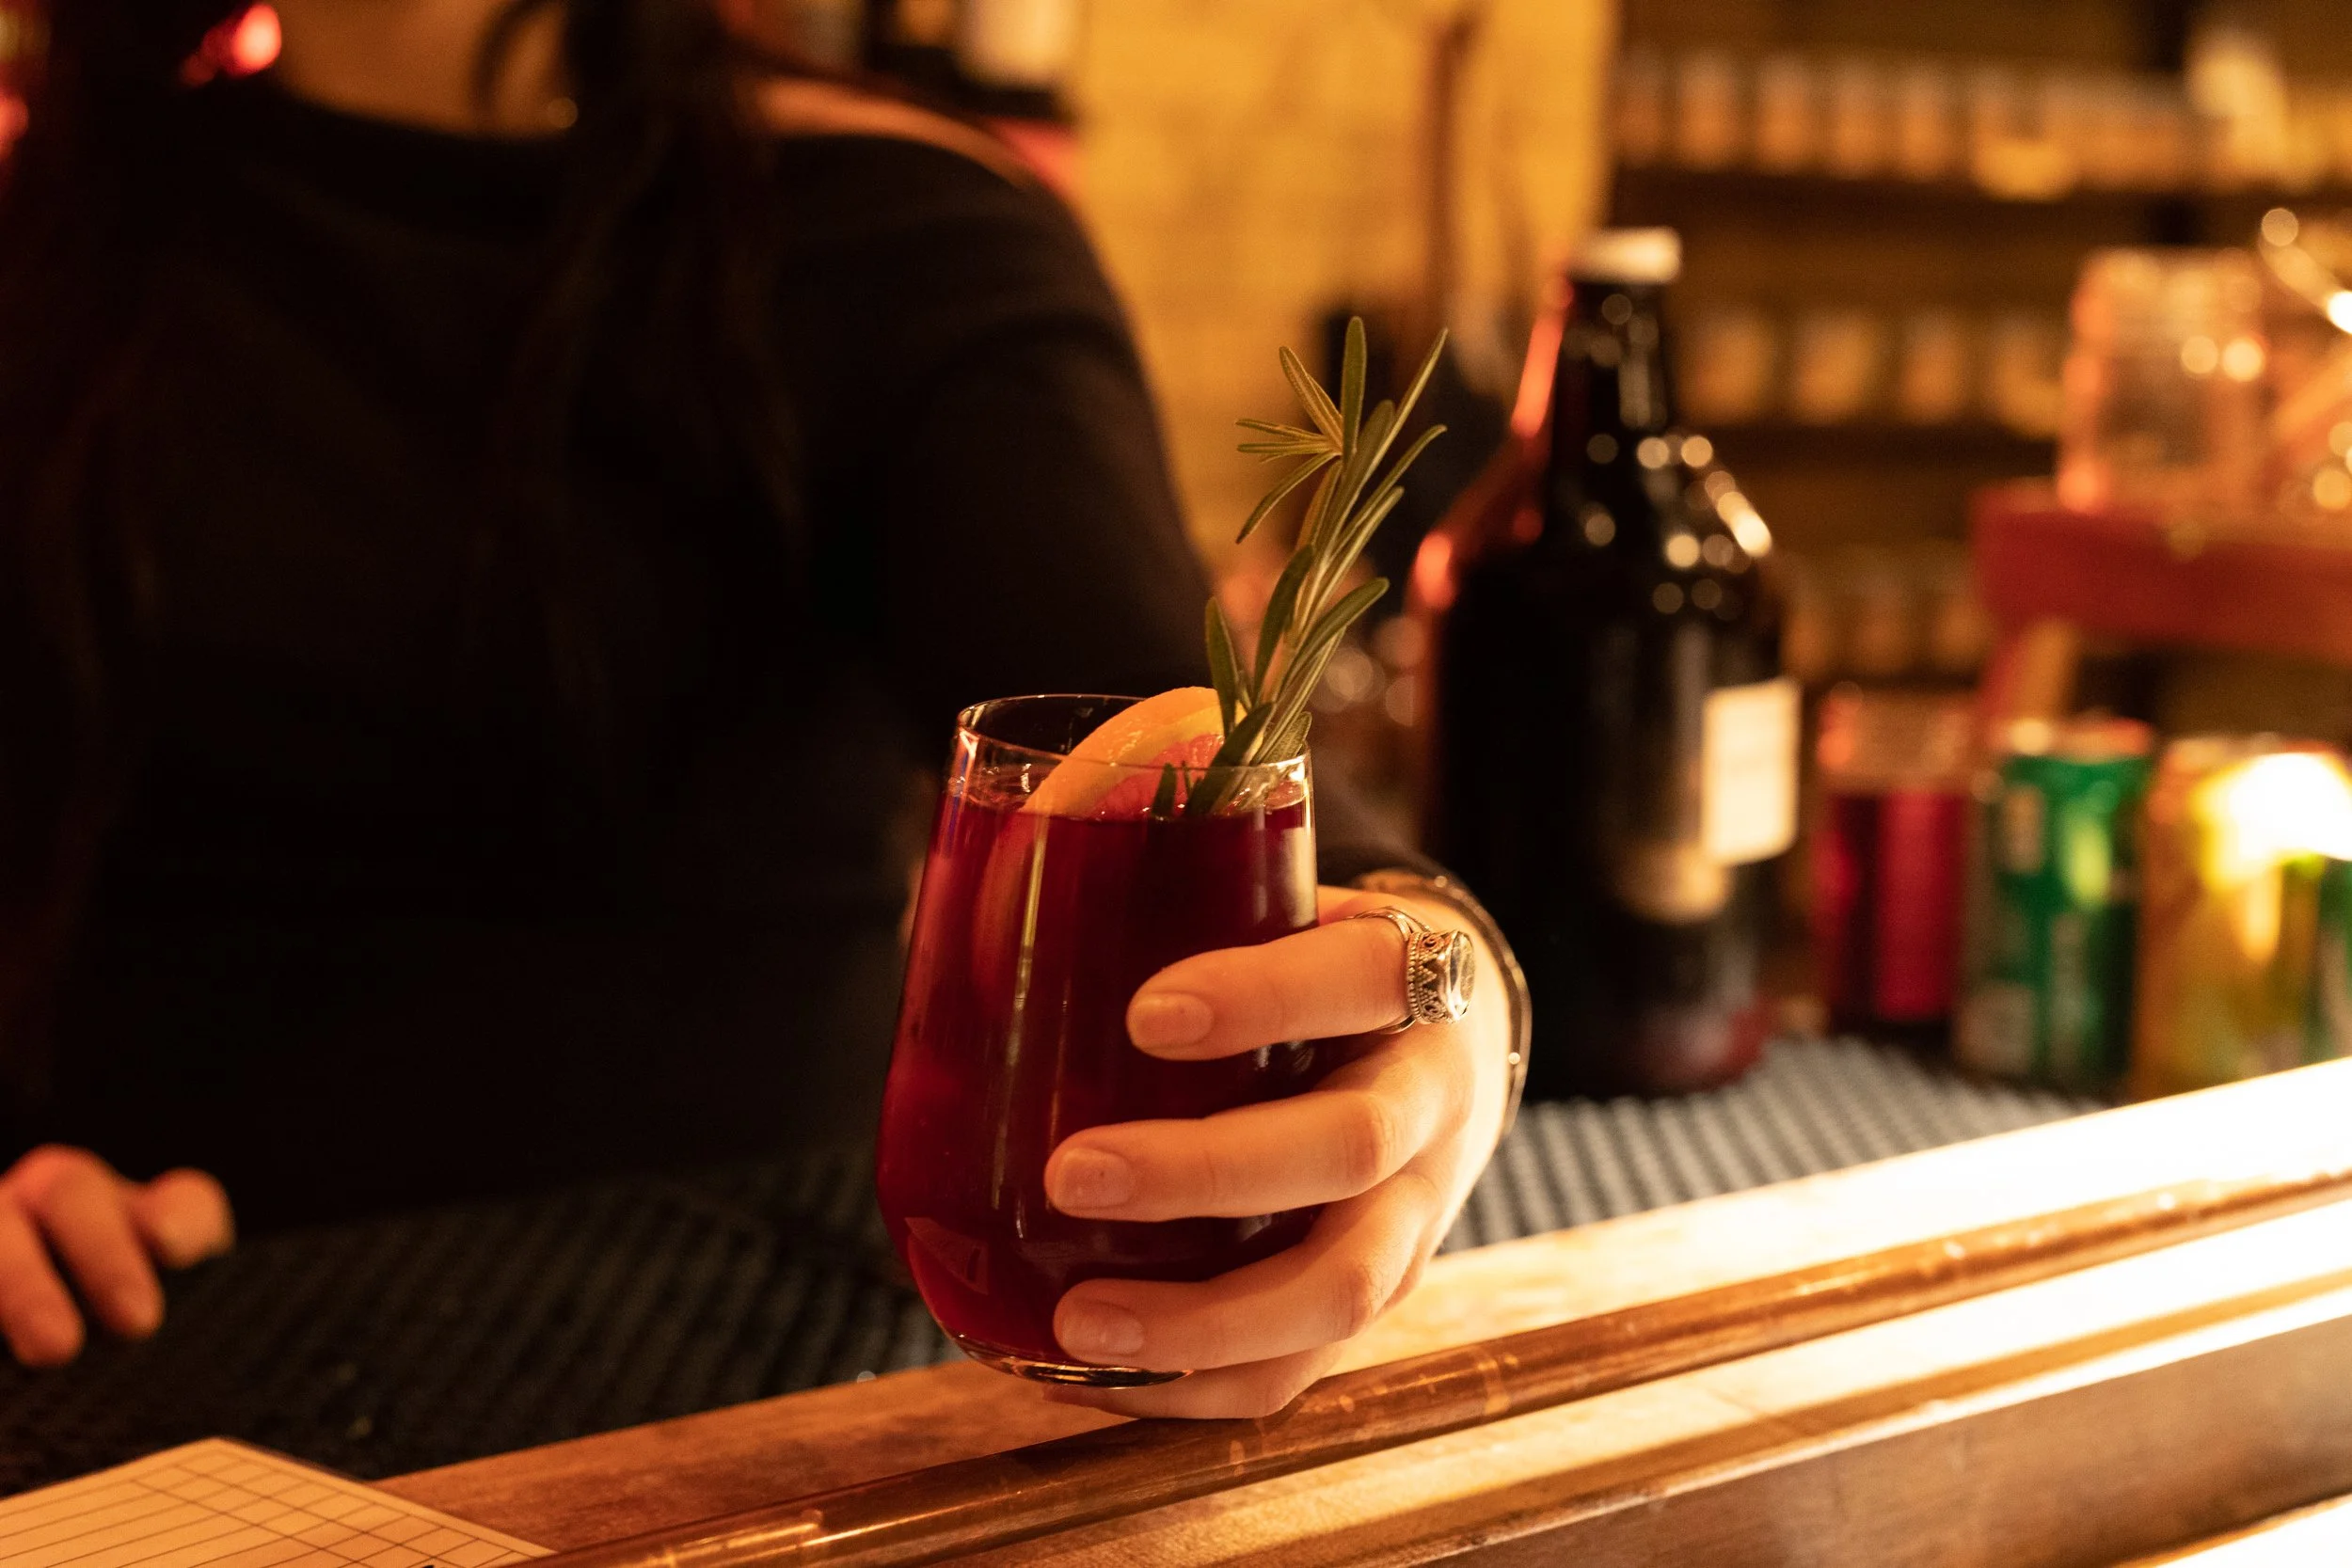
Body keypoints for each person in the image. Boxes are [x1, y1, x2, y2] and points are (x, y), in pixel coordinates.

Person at [0, 0, 1524, 1420]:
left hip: (730, 1370)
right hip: (116, 1351)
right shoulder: (50, 222)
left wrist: (1450, 1011)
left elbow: (1180, 744)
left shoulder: (889, 235)